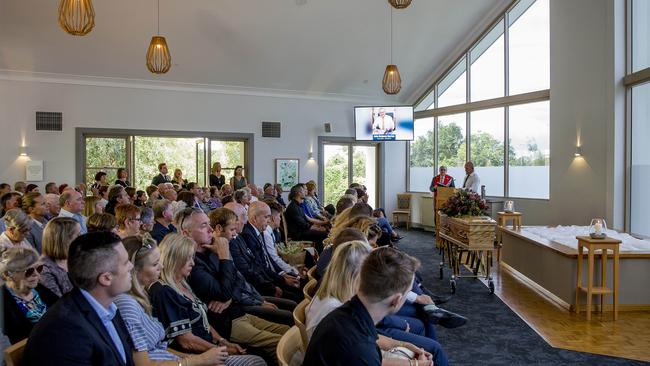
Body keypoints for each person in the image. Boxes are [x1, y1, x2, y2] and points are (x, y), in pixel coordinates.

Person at [116, 235, 266, 366]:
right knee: (256, 359)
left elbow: (160, 347)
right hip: (197, 351)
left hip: (189, 354)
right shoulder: (158, 292)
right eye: (155, 264)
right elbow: (185, 341)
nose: (193, 263)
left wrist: (221, 342)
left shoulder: (182, 282)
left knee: (257, 358)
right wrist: (202, 358)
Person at [177, 208, 289, 361]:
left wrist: (229, 297)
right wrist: (224, 256)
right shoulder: (192, 264)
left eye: (209, 224)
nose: (210, 230)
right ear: (186, 233)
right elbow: (224, 291)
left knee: (287, 331)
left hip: (238, 311)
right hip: (227, 323)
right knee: (281, 343)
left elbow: (237, 280)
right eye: (203, 226)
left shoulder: (212, 250)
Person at [303, 247, 436, 366]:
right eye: (408, 293)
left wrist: (404, 347)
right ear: (396, 300)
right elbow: (364, 355)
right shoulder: (360, 349)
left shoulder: (347, 313)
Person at [24, 231, 136, 366]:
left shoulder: (108, 307)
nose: (131, 266)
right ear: (106, 278)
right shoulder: (64, 334)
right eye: (125, 262)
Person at [239, 202, 302, 302]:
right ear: (255, 219)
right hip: (263, 282)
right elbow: (258, 267)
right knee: (296, 295)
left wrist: (282, 275)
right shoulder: (248, 235)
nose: (269, 221)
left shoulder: (257, 231)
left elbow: (266, 260)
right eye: (267, 217)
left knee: (299, 285)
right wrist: (279, 281)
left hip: (268, 276)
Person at [2, 246, 59, 344]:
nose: (36, 274)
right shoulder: (3, 303)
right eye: (29, 271)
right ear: (8, 274)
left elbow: (62, 310)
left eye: (39, 268)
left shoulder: (40, 289)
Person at [39, 217, 79, 297]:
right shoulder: (44, 269)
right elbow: (58, 302)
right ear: (64, 239)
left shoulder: (75, 257)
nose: (81, 237)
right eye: (78, 235)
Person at [284, 184, 328, 252]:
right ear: (299, 193)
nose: (305, 192)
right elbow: (303, 224)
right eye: (303, 191)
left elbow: (307, 219)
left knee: (324, 232)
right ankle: (319, 257)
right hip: (298, 235)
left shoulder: (298, 205)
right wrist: (316, 228)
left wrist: (318, 226)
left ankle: (317, 255)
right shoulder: (293, 207)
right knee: (325, 234)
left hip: (303, 231)